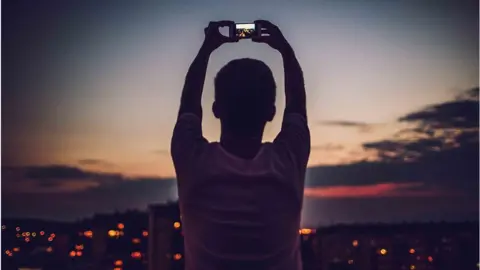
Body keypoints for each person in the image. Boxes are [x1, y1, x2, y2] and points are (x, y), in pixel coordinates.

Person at [171, 20, 310, 270]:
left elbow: (189, 104)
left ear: (215, 109)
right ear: (271, 112)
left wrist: (207, 48)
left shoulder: (193, 160)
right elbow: (297, 104)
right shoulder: (289, 159)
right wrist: (285, 50)